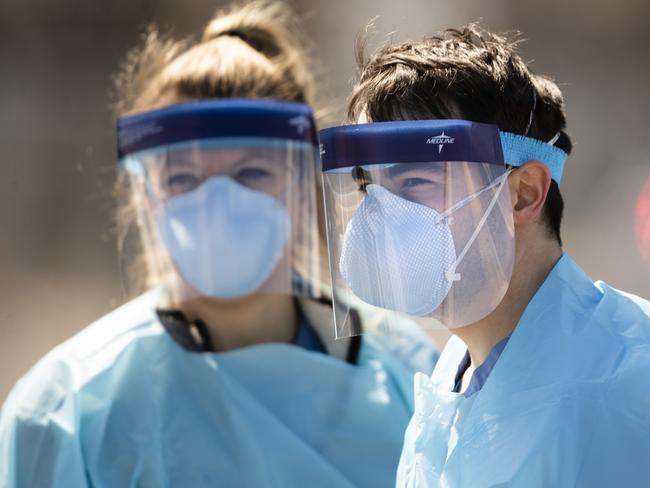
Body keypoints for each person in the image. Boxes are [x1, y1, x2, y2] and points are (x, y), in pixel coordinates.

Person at [0, 2, 439, 487]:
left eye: (250, 173)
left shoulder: (412, 375)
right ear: (145, 195)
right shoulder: (67, 411)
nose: (217, 203)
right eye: (182, 178)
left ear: (300, 182)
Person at [318, 24, 650, 487]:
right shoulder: (453, 376)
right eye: (366, 187)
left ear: (523, 194)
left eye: (414, 181)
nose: (379, 214)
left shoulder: (630, 384)